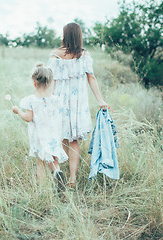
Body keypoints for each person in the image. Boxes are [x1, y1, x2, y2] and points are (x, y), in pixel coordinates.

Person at [47, 22, 108, 188]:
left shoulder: (55, 55)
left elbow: (51, 81)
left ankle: (61, 171)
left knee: (61, 138)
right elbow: (92, 78)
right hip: (78, 104)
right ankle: (72, 178)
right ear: (79, 36)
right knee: (74, 141)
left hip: (59, 101)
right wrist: (100, 100)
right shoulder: (84, 55)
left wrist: (47, 101)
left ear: (64, 35)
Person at [12, 63, 68, 192]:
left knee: (40, 163)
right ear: (49, 83)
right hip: (53, 135)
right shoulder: (56, 100)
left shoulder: (30, 100)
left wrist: (18, 111)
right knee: (53, 158)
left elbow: (28, 118)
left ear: (34, 82)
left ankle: (42, 189)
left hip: (39, 136)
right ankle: (57, 172)